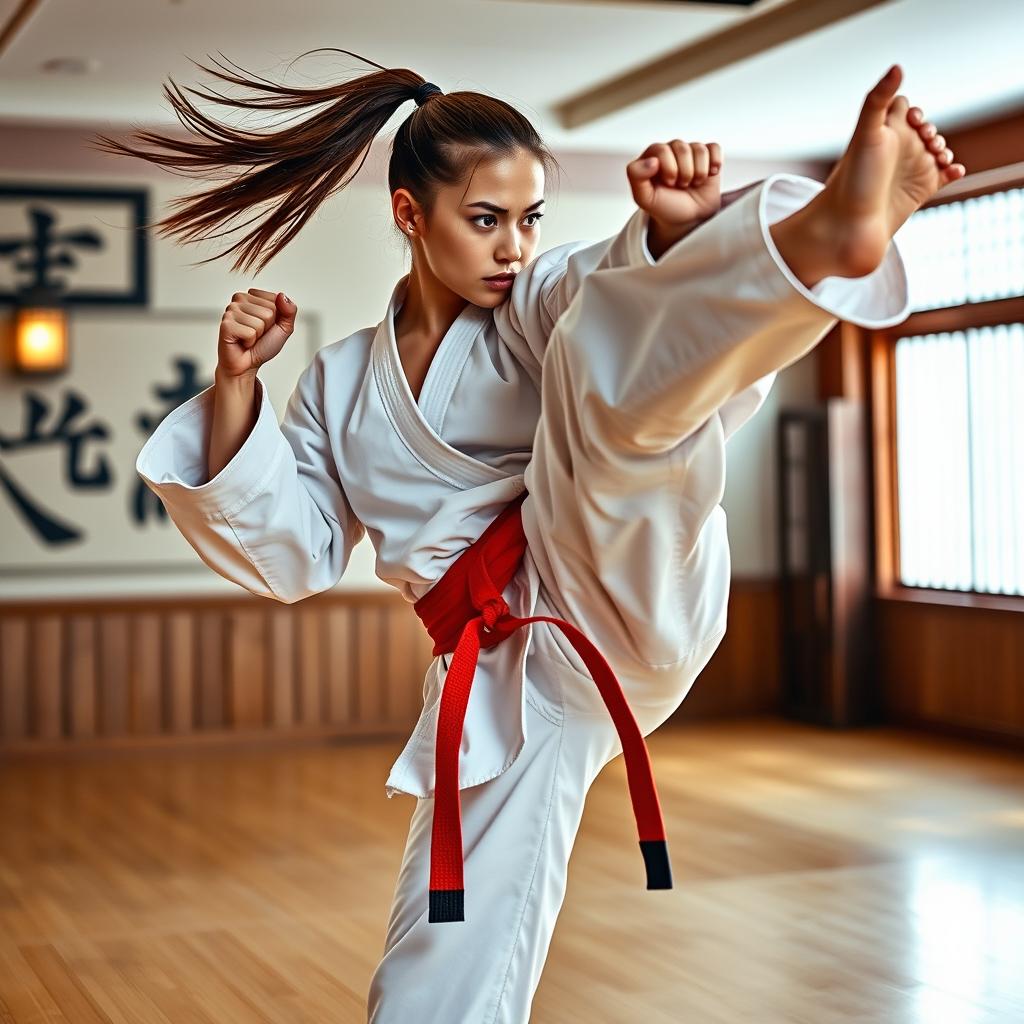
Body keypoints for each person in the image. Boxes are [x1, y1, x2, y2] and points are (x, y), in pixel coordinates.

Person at [96, 51, 964, 1023]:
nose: (513, 246)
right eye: (484, 219)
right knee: (445, 938)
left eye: (529, 217)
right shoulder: (339, 386)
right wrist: (239, 386)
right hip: (502, 680)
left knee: (608, 390)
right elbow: (288, 551)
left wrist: (671, 241)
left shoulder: (535, 308)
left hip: (606, 583)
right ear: (408, 216)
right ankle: (801, 249)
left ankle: (816, 242)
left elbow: (604, 296)